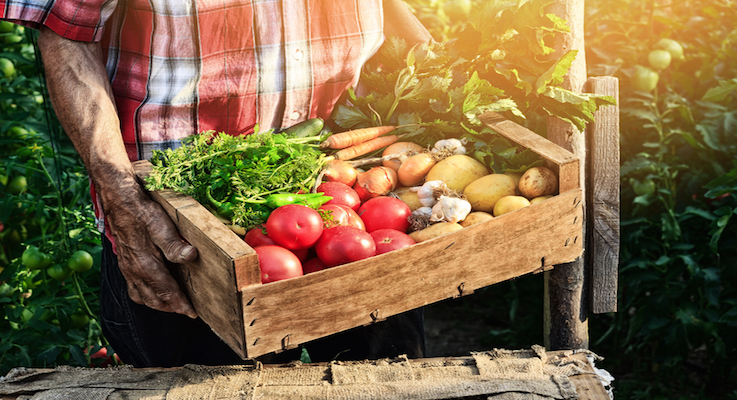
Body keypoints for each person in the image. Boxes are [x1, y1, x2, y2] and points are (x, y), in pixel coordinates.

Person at [1, 0, 432, 367]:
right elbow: (68, 30)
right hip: (182, 222)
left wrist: (432, 63)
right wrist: (123, 201)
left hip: (348, 197)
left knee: (386, 377)